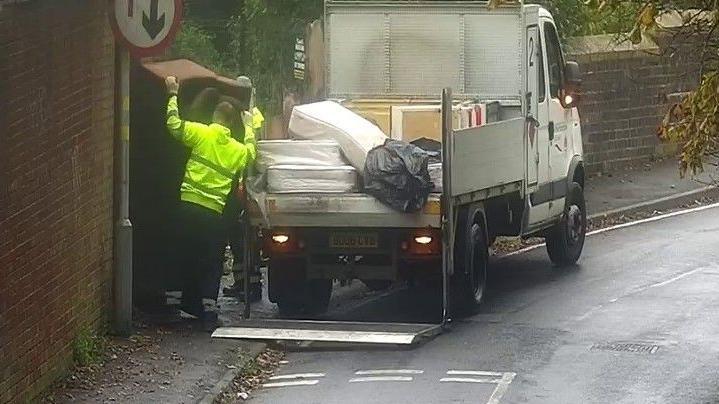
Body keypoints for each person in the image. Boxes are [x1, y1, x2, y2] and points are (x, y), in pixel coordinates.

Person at [164, 76, 257, 330]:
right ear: (230, 122)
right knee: (211, 262)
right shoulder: (237, 149)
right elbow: (251, 153)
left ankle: (172, 307)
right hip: (214, 214)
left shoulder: (200, 132)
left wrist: (173, 93)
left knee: (179, 255)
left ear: (214, 116)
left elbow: (173, 124)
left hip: (188, 207)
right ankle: (209, 314)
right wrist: (249, 127)